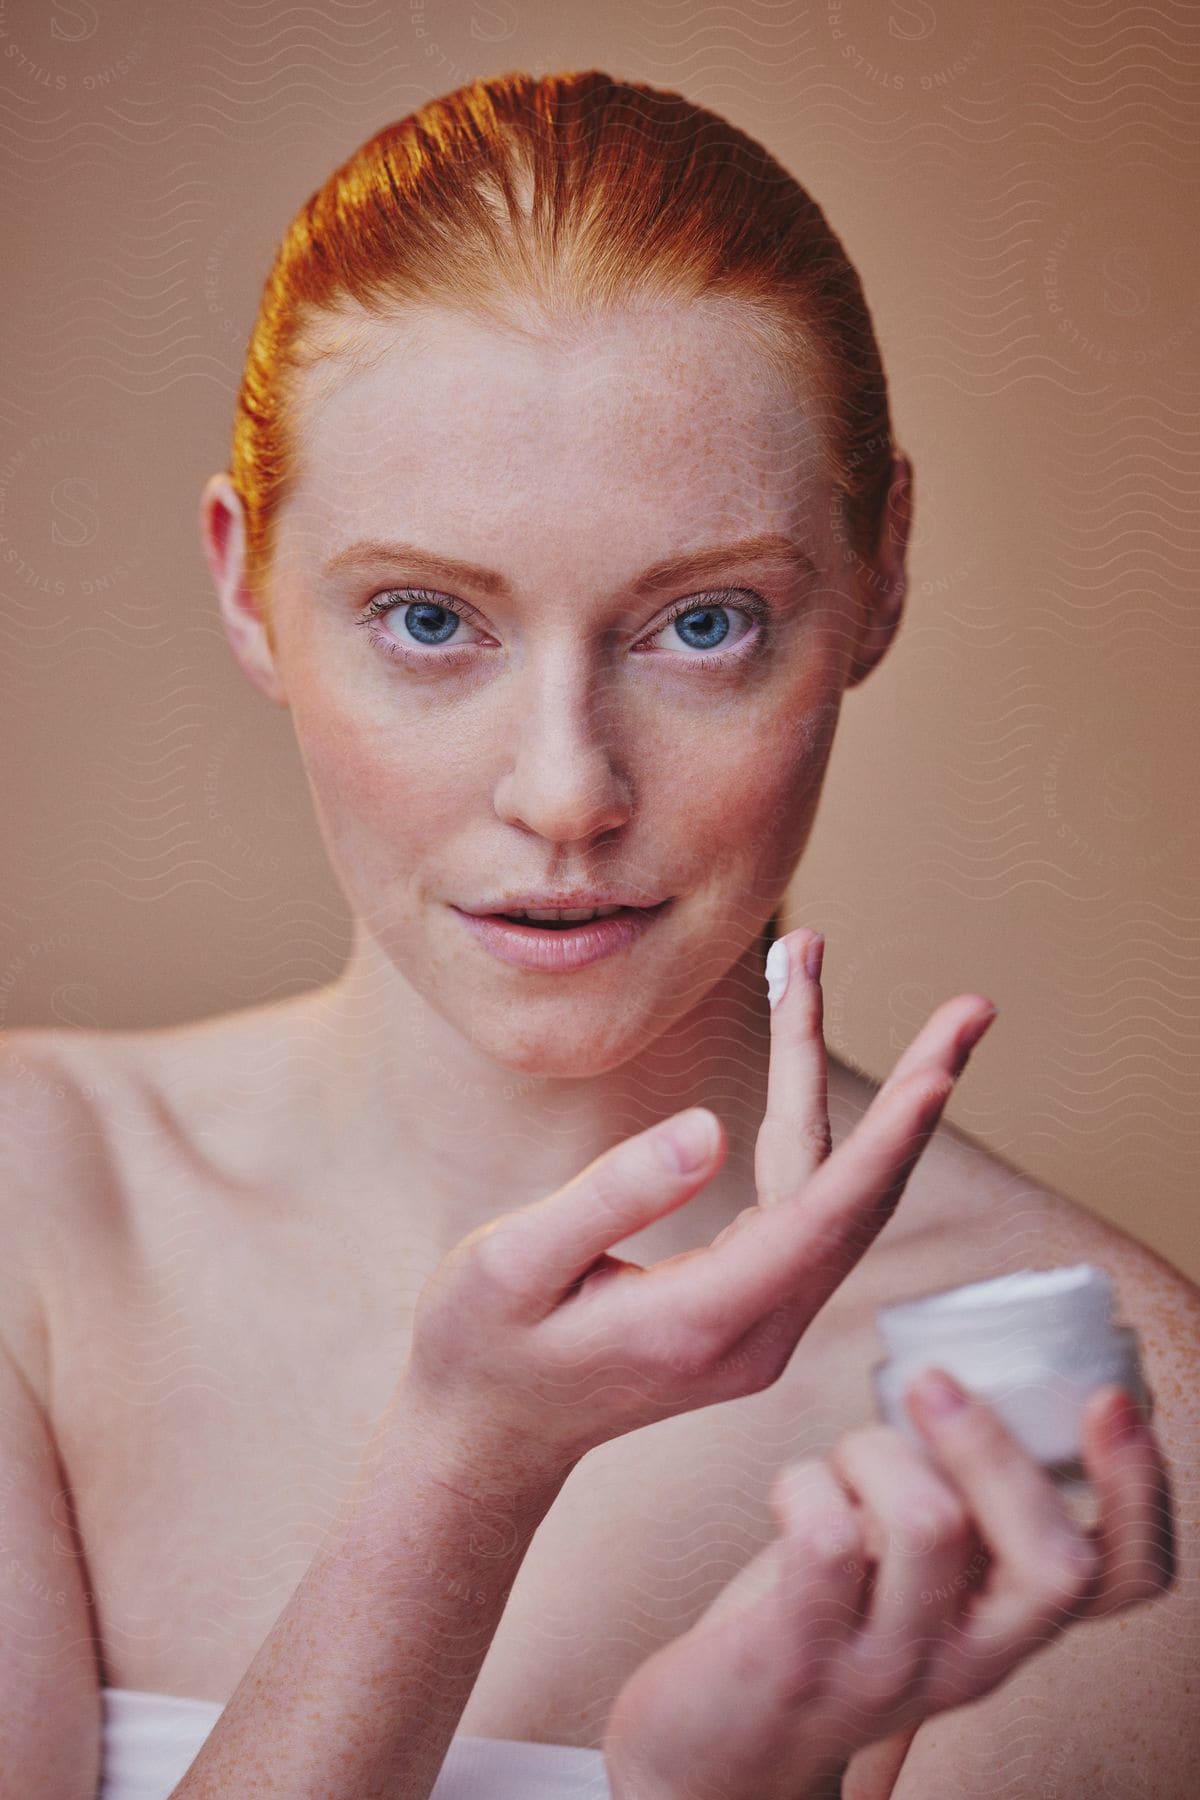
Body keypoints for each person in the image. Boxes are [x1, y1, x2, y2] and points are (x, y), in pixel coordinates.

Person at [1, 68, 1193, 1800]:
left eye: (705, 623)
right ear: (247, 586)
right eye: (428, 619)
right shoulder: (26, 1211)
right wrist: (458, 1480)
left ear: (878, 578)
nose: (566, 791)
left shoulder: (1087, 1407)